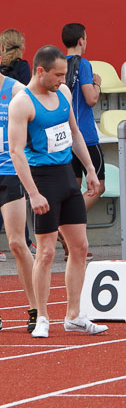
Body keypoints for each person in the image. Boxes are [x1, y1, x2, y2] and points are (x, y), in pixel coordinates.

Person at [8, 45, 106, 337]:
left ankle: (74, 315)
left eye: (65, 74)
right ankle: (43, 318)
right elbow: (15, 152)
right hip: (43, 180)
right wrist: (33, 193)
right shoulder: (21, 103)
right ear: (40, 71)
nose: (63, 80)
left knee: (80, 247)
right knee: (47, 252)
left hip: (66, 177)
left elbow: (74, 133)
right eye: (58, 75)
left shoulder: (63, 93)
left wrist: (89, 169)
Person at [0, 72, 38, 333]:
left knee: (16, 243)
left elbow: (37, 124)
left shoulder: (17, 91)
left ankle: (36, 309)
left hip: (8, 173)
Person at [61, 23, 102, 260]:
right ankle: (64, 227)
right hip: (84, 135)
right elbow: (91, 98)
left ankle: (71, 248)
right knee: (99, 186)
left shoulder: (59, 64)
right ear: (81, 41)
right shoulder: (84, 64)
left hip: (65, 135)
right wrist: (97, 82)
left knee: (73, 188)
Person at [0, 29, 34, 253]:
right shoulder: (23, 68)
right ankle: (27, 241)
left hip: (11, 153)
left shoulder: (12, 80)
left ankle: (26, 241)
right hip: (16, 144)